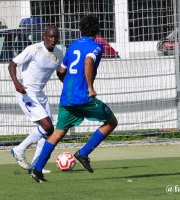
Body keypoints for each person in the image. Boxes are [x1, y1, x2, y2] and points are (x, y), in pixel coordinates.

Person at [29, 15, 118, 183]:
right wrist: (90, 87)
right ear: (97, 31)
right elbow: (88, 62)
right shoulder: (97, 47)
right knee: (112, 122)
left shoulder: (72, 46)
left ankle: (37, 169)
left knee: (58, 133)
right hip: (84, 98)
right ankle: (83, 153)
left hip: (67, 98)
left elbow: (61, 71)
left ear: (81, 30)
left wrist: (70, 84)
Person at [8, 25, 63, 173]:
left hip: (39, 94)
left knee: (49, 132)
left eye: (55, 37)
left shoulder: (59, 53)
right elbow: (12, 64)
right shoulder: (34, 49)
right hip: (26, 92)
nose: (53, 40)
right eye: (50, 37)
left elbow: (60, 72)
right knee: (47, 126)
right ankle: (19, 150)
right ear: (44, 37)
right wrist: (17, 83)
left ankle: (36, 165)